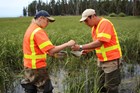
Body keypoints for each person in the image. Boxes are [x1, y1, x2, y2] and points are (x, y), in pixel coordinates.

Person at [21, 10, 75, 93]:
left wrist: (51, 53)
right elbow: (52, 49)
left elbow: (37, 49)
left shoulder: (30, 29)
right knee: (46, 90)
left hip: (29, 66)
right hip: (37, 68)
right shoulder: (38, 31)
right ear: (41, 18)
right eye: (47, 20)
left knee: (31, 89)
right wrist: (67, 44)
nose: (48, 23)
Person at [71, 9, 122, 93]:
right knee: (100, 84)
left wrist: (80, 47)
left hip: (111, 60)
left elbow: (100, 42)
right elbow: (96, 44)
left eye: (86, 20)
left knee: (111, 86)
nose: (85, 23)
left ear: (93, 16)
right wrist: (87, 50)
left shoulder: (105, 23)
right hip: (101, 60)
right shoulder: (94, 28)